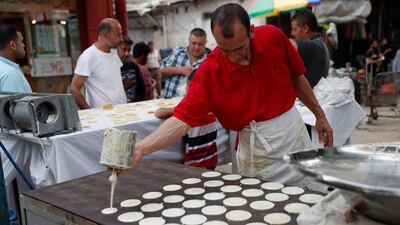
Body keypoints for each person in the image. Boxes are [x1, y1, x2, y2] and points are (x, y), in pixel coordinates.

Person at [126, 3, 333, 185]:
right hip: (256, 150)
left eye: (240, 48)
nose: (233, 57)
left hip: (291, 135)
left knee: (304, 195)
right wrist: (141, 148)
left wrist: (319, 115)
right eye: (225, 50)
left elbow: (297, 77)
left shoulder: (273, 37)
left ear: (251, 31)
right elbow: (182, 119)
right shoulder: (210, 71)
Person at [155, 70, 218, 170]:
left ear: (190, 87)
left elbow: (159, 113)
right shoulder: (213, 104)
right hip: (211, 159)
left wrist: (178, 108)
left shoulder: (190, 108)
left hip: (195, 162)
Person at [71, 18, 126, 109]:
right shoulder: (88, 57)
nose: (121, 39)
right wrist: (90, 111)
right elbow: (74, 89)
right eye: (118, 35)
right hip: (103, 115)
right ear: (106, 34)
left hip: (121, 110)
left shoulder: (114, 52)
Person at [160, 28, 209, 98]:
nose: (196, 47)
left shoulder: (209, 59)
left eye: (200, 44)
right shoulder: (177, 52)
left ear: (205, 42)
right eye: (194, 43)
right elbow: (162, 69)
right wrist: (180, 70)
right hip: (167, 101)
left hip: (191, 106)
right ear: (189, 41)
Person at [290, 9, 330, 88]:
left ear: (305, 29)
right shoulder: (320, 42)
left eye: (295, 29)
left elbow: (288, 44)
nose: (292, 33)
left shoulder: (313, 45)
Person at [0, 24, 32, 93]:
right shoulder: (10, 74)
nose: (24, 45)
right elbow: (16, 104)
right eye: (21, 41)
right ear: (13, 45)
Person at [117, 36, 147, 102]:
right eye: (124, 50)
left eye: (129, 50)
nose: (127, 53)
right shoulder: (111, 68)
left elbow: (141, 90)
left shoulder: (134, 67)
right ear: (116, 50)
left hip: (133, 107)